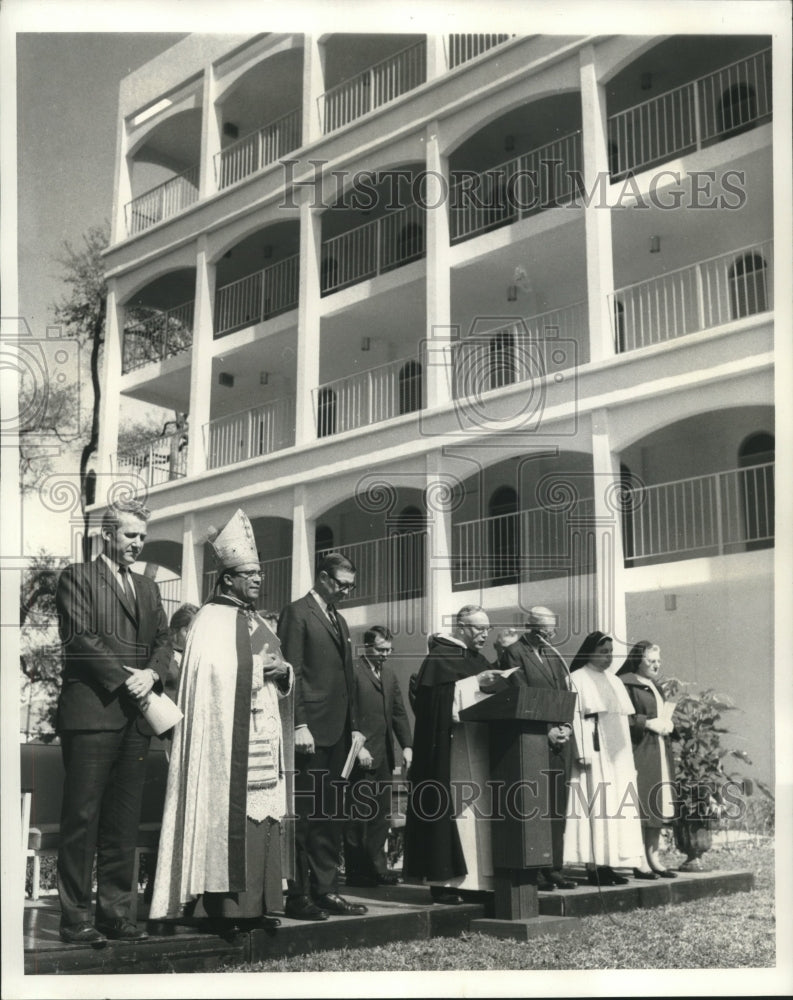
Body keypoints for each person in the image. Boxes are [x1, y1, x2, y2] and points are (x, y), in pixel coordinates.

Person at [149, 509, 294, 932]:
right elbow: (208, 674)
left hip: (262, 730)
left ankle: (258, 907)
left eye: (259, 573)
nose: (257, 579)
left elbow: (277, 663)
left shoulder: (254, 618)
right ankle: (224, 910)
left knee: (264, 818)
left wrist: (283, 672)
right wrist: (256, 668)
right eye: (248, 573)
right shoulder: (209, 619)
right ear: (227, 577)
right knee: (230, 818)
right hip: (225, 740)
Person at [54, 498, 171, 944]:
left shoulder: (148, 589)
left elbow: (164, 640)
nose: (137, 544)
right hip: (92, 715)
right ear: (107, 534)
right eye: (129, 535)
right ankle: (75, 919)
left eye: (142, 536)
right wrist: (130, 680)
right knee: (82, 819)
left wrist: (154, 673)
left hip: (135, 719)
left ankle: (116, 914)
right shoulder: (77, 578)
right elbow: (80, 641)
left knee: (122, 821)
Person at [278, 553, 368, 920]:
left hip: (340, 733)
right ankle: (298, 896)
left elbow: (348, 680)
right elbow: (291, 672)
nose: (346, 592)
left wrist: (356, 726)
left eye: (351, 586)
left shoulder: (340, 621)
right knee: (305, 816)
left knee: (331, 816)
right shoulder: (297, 613)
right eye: (342, 584)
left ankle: (326, 890)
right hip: (310, 732)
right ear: (323, 578)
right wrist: (298, 724)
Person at [403, 605, 504, 905]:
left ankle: (478, 881)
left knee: (478, 815)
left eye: (487, 629)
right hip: (452, 752)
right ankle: (446, 883)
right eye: (478, 628)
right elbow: (433, 702)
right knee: (458, 813)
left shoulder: (477, 658)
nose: (485, 634)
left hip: (478, 745)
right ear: (460, 627)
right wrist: (477, 683)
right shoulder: (440, 656)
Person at [563, 631, 648, 885]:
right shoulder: (577, 678)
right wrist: (582, 752)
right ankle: (594, 866)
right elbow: (575, 718)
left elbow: (622, 718)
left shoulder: (615, 681)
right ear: (589, 652)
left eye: (610, 652)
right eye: (603, 652)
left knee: (615, 808)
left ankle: (610, 864)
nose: (608, 657)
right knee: (596, 807)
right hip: (594, 752)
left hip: (617, 756)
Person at [501, 606, 577, 890]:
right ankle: (536, 868)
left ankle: (554, 867)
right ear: (531, 628)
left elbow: (565, 694)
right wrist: (546, 730)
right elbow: (521, 694)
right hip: (534, 741)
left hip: (560, 741)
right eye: (546, 630)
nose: (551, 635)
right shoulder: (515, 653)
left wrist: (565, 727)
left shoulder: (553, 655)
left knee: (557, 805)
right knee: (537, 807)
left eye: (553, 629)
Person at [344, 626, 413, 887]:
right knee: (357, 814)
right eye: (380, 650)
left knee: (381, 814)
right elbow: (346, 709)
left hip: (383, 755)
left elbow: (398, 712)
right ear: (366, 648)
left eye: (388, 650)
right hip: (359, 753)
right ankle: (356, 871)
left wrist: (407, 745)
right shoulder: (352, 671)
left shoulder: (389, 675)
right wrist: (355, 743)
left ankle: (377, 867)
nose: (385, 655)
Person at [617, 640, 678, 878]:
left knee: (658, 802)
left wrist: (668, 723)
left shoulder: (654, 685)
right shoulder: (626, 683)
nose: (656, 665)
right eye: (650, 661)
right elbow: (622, 719)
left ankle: (654, 857)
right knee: (643, 801)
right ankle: (640, 859)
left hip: (660, 749)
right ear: (637, 660)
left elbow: (661, 713)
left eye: (658, 661)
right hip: (640, 749)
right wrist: (647, 723)